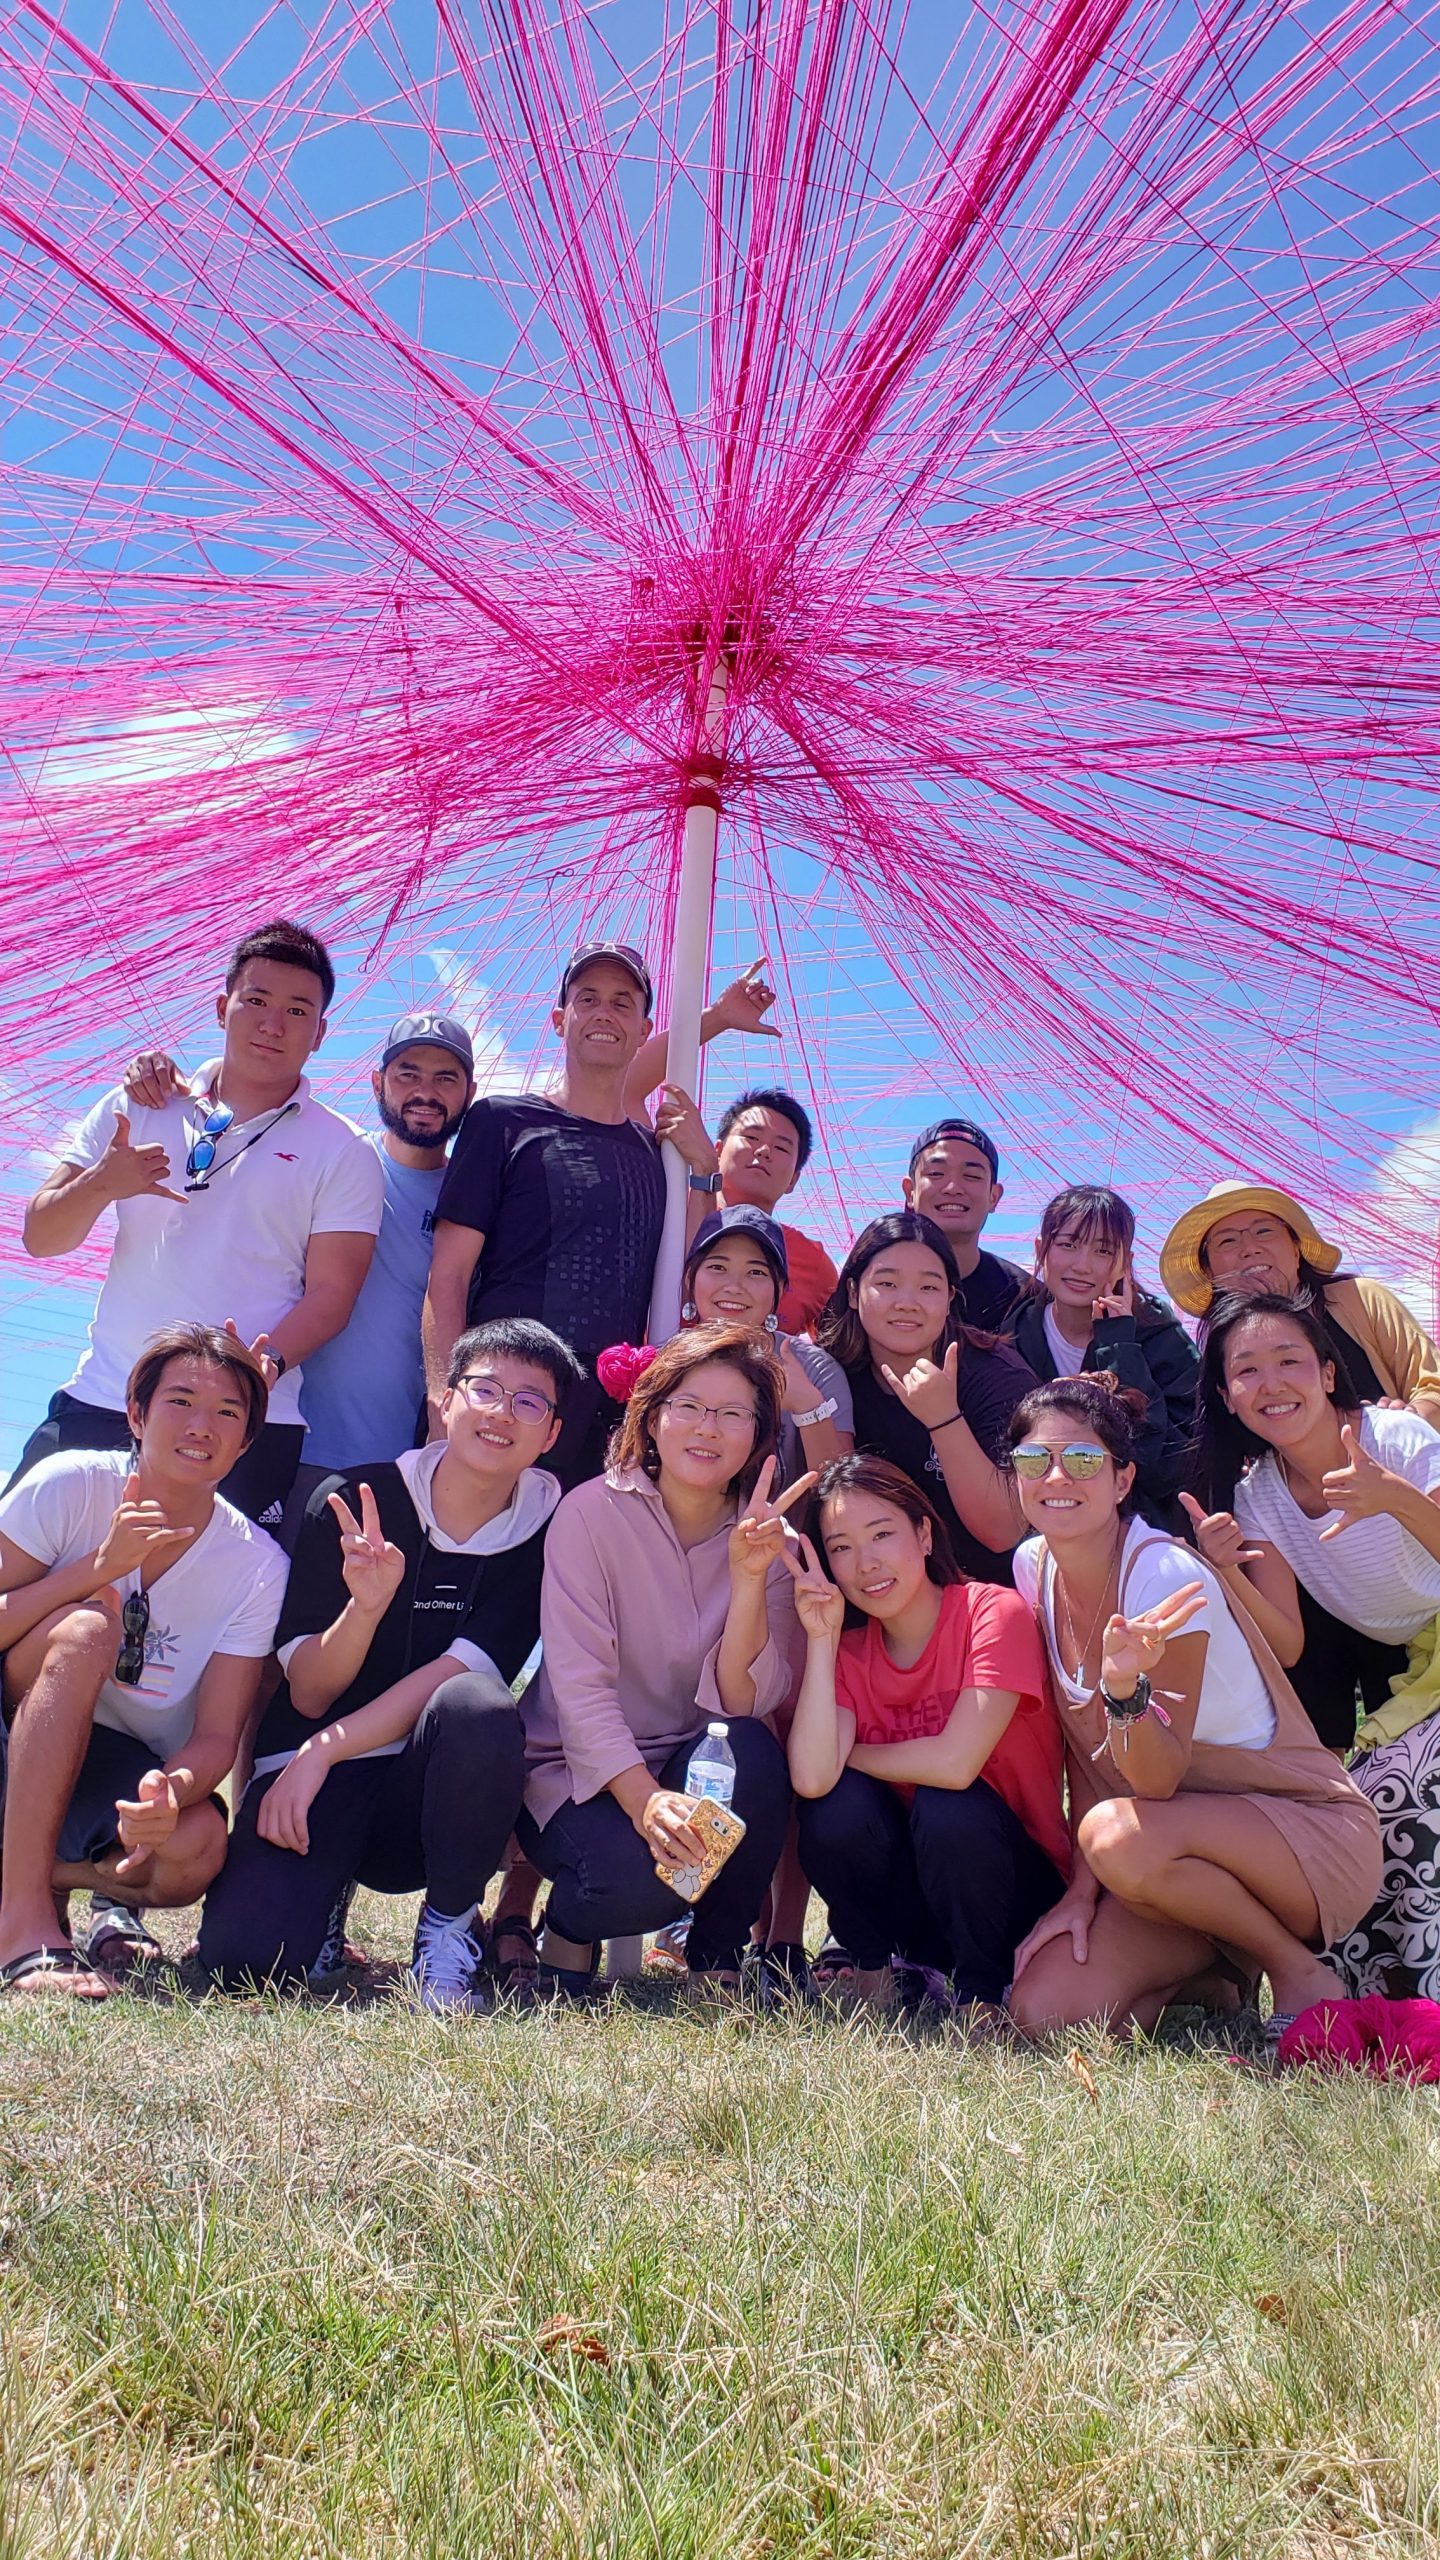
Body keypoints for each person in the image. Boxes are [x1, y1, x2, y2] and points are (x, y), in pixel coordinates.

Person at [197, 1319, 582, 2011]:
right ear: (446, 1400)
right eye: (486, 1389)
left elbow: (457, 1676)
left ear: (552, 1433)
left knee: (480, 1709)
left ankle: (447, 1929)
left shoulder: (548, 1534)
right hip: (311, 1779)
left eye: (530, 1402)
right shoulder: (350, 1501)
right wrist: (365, 1610)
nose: (502, 1413)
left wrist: (322, 1751)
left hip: (427, 1785)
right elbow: (309, 1693)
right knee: (244, 1963)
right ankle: (323, 1902)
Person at [1003, 1376, 1381, 2040]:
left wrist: (1125, 1688)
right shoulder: (1034, 1565)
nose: (1056, 1475)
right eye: (1034, 1461)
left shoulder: (1163, 1576)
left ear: (1122, 1480)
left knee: (1116, 1835)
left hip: (1305, 1837)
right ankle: (1214, 1978)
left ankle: (1296, 1969)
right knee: (1046, 2014)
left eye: (1083, 1459)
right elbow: (1090, 1766)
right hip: (1174, 1860)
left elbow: (1151, 1780)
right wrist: (1080, 1897)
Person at [15, 921, 384, 1526]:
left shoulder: (343, 1149)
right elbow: (42, 1236)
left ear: (320, 1033)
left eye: (298, 1010)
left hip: (242, 1421)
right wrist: (104, 1183)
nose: (273, 1023)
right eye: (257, 1001)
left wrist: (261, 1370)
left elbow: (332, 1294)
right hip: (105, 1398)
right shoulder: (138, 1104)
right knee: (26, 1589)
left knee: (191, 1615)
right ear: (222, 1008)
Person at [517, 1323, 804, 1997]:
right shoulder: (589, 1514)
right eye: (690, 1407)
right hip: (574, 1771)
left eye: (733, 1414)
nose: (708, 1429)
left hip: (692, 1758)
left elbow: (741, 1702)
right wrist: (647, 1805)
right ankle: (564, 1926)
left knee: (751, 1752)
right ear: (652, 1416)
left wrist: (750, 1579)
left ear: (759, 1434)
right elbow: (581, 1693)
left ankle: (717, 1960)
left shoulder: (768, 1541)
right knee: (635, 1891)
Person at [0, 1325, 287, 1998]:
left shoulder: (256, 1567)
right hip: (13, 1727)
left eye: (227, 1413)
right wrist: (94, 1572)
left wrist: (173, 1790)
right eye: (180, 1401)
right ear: (135, 1413)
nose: (201, 1425)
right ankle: (24, 1929)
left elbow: (218, 1734)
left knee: (195, 1847)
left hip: (109, 1763)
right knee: (86, 1631)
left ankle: (23, 1871)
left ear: (246, 1440)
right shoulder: (69, 1486)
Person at [121, 1008, 479, 1512]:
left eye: (446, 1078)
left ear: (470, 1092)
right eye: (408, 1074)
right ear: (378, 1083)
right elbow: (237, 1124)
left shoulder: (473, 1204)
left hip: (390, 1458)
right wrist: (160, 1075)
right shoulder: (333, 1157)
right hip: (267, 1434)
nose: (425, 1091)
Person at [1189, 1293, 1440, 2000]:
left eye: (1289, 1360)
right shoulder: (1259, 1495)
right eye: (1247, 1370)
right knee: (1364, 1806)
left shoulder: (1398, 1441)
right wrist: (1228, 1576)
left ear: (1328, 1374)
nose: (1271, 1382)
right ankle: (1374, 1987)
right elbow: (1290, 1644)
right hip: (1407, 1666)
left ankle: (1423, 1988)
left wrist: (1392, 1496)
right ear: (1227, 1396)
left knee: (1404, 1791)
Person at [422, 941, 716, 1490]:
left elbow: (686, 1275)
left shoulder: (659, 1156)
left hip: (606, 1422)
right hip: (500, 1400)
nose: (605, 1013)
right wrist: (445, 1395)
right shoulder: (501, 1122)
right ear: (561, 1020)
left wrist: (704, 1168)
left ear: (644, 1027)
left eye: (622, 1003)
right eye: (589, 999)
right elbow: (448, 1275)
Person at [785, 1456, 1068, 2021]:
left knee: (948, 1803)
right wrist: (821, 1638)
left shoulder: (993, 1612)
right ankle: (876, 1970)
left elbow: (957, 1764)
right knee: (832, 1808)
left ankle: (981, 1996)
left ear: (923, 1531)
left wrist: (852, 1756)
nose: (865, 1564)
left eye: (882, 1534)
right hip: (915, 1898)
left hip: (1014, 1891)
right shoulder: (846, 1654)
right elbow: (814, 1778)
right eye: (841, 1548)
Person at [816, 1212, 1037, 1584]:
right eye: (886, 1283)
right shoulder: (833, 1374)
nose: (907, 1302)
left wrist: (943, 1417)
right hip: (875, 1592)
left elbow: (1004, 1531)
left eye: (929, 1288)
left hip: (988, 1596)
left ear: (950, 1297)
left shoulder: (996, 1375)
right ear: (853, 1293)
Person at [1159, 1180, 1440, 1422]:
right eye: (1228, 1241)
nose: (1250, 1248)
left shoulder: (1360, 1299)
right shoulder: (1221, 1351)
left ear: (1296, 1249)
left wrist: (1407, 1423)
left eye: (1264, 1231)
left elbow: (1432, 1385)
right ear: (1209, 1271)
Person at [1002, 1185, 1198, 1525]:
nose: (1082, 1265)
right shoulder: (1014, 1335)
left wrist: (1118, 1346)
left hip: (1142, 1532)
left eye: (1103, 1251)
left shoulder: (1163, 1339)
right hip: (1037, 1528)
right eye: (1067, 1245)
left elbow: (1163, 1467)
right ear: (1041, 1249)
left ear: (1127, 1262)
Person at [682, 1205, 852, 1485]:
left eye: (756, 1272)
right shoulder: (665, 1363)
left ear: (780, 1288)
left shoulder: (814, 1369)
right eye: (717, 1267)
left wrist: (808, 1406)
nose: (734, 1286)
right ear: (691, 1277)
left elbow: (841, 1492)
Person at [903, 1119, 1027, 1333]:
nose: (953, 1188)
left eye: (971, 1176)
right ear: (910, 1192)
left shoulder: (1023, 1299)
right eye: (936, 1174)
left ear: (994, 1196)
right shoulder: (869, 1280)